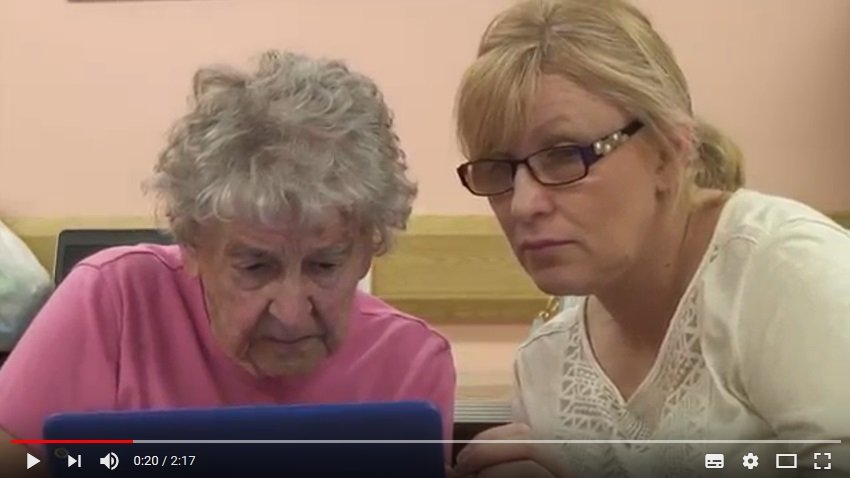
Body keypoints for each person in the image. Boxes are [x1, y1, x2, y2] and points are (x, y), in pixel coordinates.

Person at [0, 50, 456, 473]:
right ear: (193, 246)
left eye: (325, 266)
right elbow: (13, 456)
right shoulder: (114, 300)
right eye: (256, 267)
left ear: (367, 249)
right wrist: (67, 469)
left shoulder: (411, 362)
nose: (292, 314)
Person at [450, 0, 850, 477]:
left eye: (562, 155)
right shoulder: (546, 365)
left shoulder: (787, 272)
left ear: (666, 152)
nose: (522, 204)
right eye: (497, 169)